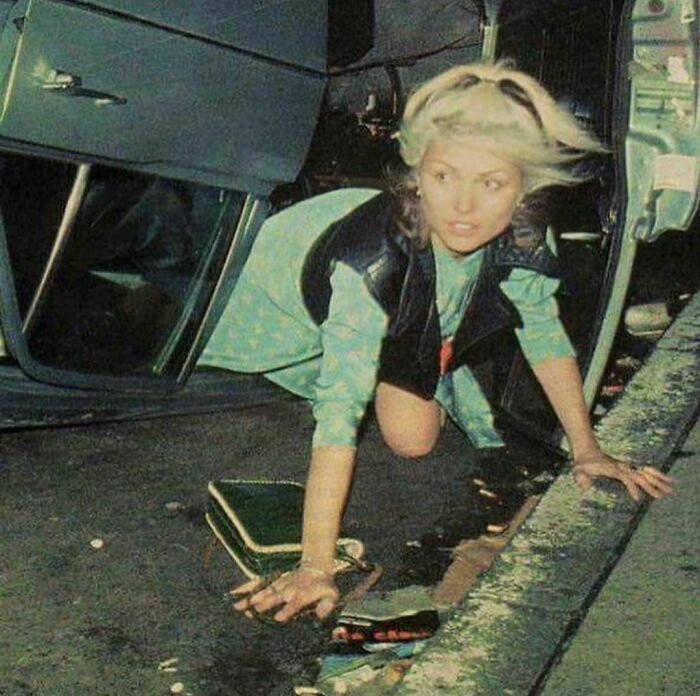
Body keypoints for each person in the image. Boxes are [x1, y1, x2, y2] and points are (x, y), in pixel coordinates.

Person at [199, 61, 672, 623]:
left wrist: (587, 450)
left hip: (408, 299)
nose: (463, 207)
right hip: (286, 293)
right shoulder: (367, 264)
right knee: (212, 344)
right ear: (418, 175)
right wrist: (316, 566)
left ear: (524, 190)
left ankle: (429, 352)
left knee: (414, 440)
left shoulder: (523, 233)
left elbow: (544, 335)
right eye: (444, 177)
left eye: (491, 183)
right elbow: (338, 416)